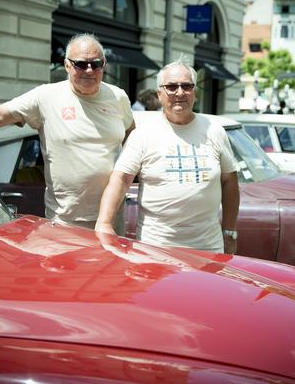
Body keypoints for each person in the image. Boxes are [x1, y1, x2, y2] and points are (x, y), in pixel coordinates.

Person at [0, 33, 135, 234]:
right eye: (81, 64)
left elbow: (131, 135)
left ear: (104, 65)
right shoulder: (46, 96)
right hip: (66, 221)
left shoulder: (118, 97)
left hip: (111, 219)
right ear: (67, 65)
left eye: (95, 64)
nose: (89, 70)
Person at [95, 58, 240, 254]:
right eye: (171, 87)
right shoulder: (143, 134)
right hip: (156, 250)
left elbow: (230, 181)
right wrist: (104, 223)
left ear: (194, 92)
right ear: (160, 94)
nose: (179, 92)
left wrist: (229, 232)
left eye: (186, 86)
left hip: (208, 248)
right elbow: (120, 180)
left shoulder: (214, 131)